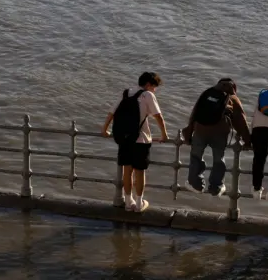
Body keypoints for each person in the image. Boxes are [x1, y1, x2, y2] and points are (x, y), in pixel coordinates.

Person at [101, 71, 169, 212]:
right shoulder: (148, 95)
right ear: (148, 84)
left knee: (127, 170)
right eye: (154, 87)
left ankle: (127, 202)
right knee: (139, 172)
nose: (155, 90)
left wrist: (104, 129)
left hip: (124, 138)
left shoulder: (126, 93)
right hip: (141, 139)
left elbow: (111, 113)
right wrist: (164, 135)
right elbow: (158, 117)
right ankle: (138, 204)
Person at [183, 77, 252, 197]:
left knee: (196, 156)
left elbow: (195, 113)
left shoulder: (206, 93)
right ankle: (216, 187)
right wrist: (247, 141)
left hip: (200, 130)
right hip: (219, 134)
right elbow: (240, 121)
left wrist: (188, 134)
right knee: (218, 158)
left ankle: (196, 184)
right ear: (233, 88)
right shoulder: (232, 98)